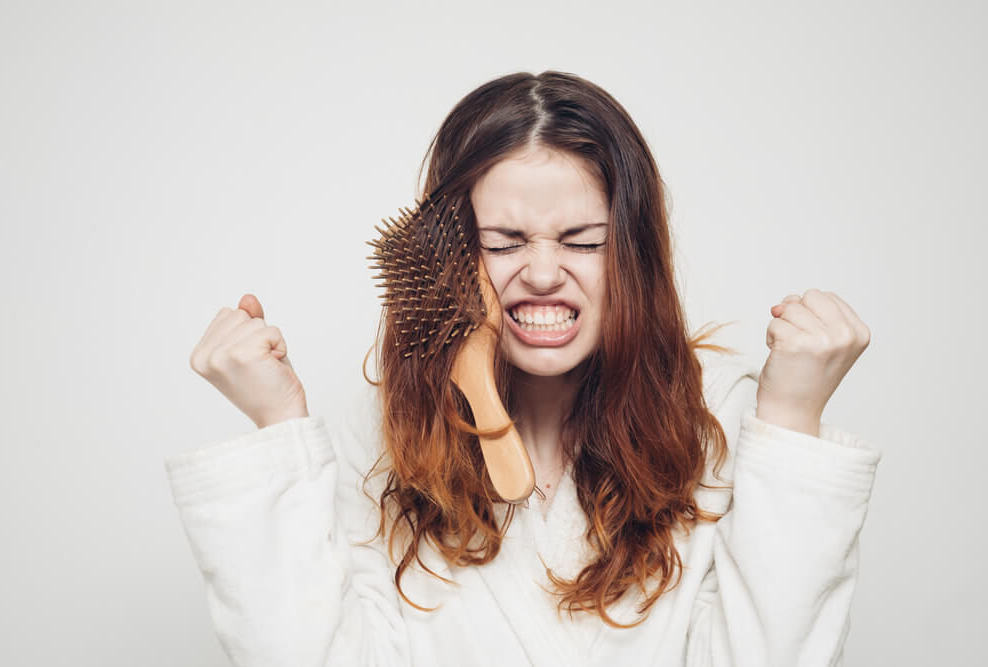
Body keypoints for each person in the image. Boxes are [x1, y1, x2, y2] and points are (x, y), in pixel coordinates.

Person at [166, 71, 882, 666]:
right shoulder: (379, 448)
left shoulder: (718, 427)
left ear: (630, 254)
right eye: (504, 242)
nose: (543, 272)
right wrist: (276, 425)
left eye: (583, 240)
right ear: (448, 256)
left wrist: (790, 423)